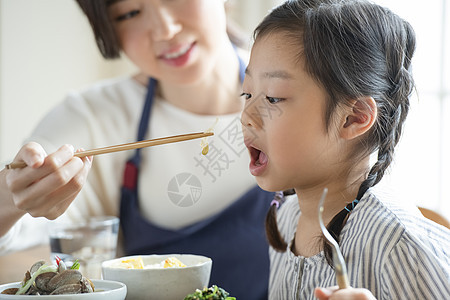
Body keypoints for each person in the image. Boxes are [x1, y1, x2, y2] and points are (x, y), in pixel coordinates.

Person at [0, 1, 274, 299]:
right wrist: (11, 195)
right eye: (129, 13)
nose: (165, 30)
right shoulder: (93, 117)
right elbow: (20, 225)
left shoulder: (303, 92)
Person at [240, 0, 450, 299]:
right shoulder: (287, 219)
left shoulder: (400, 247)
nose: (247, 114)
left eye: (273, 98)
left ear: (353, 118)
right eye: (247, 92)